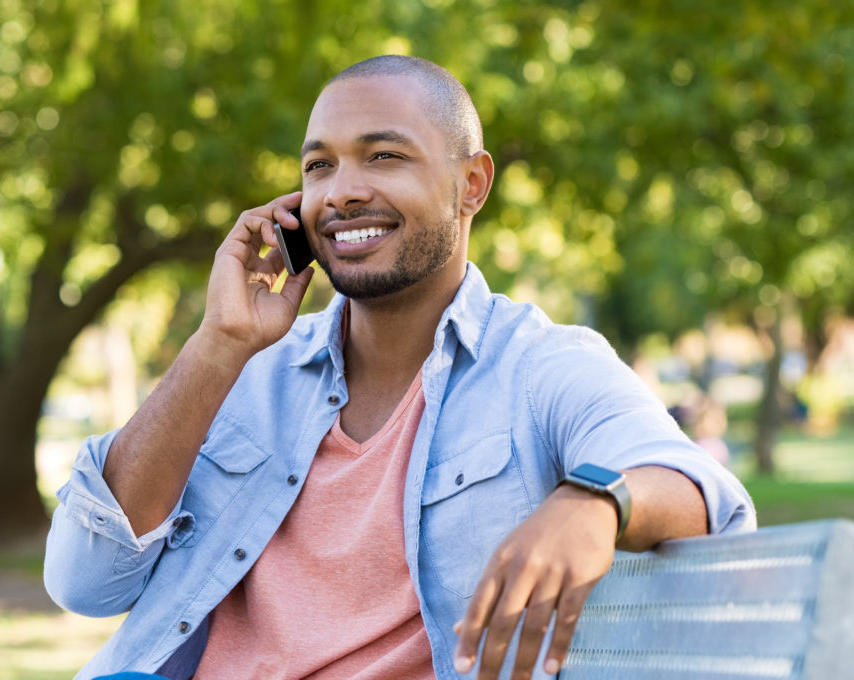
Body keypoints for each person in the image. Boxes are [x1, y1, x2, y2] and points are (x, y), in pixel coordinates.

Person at [44, 55, 756, 680]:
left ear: (471, 184)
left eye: (383, 156)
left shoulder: (541, 367)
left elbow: (705, 496)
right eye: (319, 166)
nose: (342, 190)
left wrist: (596, 502)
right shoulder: (242, 375)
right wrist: (219, 343)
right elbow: (85, 582)